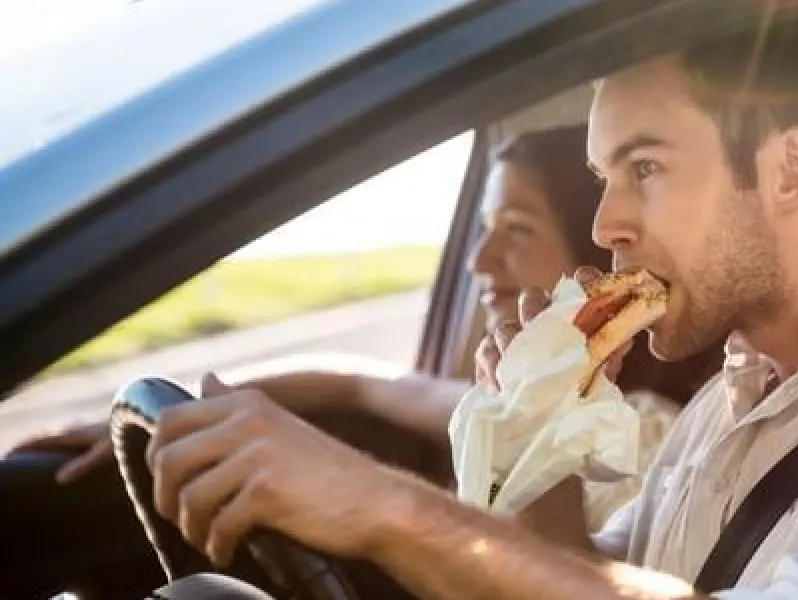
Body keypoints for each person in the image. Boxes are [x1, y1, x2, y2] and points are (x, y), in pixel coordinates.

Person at [140, 14, 798, 599]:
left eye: (644, 168)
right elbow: (580, 582)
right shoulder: (729, 402)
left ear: (791, 168)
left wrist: (380, 506)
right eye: (601, 176)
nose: (608, 222)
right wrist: (536, 426)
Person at [13, 125, 723, 536]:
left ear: (591, 258)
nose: (480, 260)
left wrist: (364, 499)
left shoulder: (646, 437)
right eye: (480, 230)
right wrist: (175, 415)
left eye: (516, 230)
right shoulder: (513, 404)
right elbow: (367, 383)